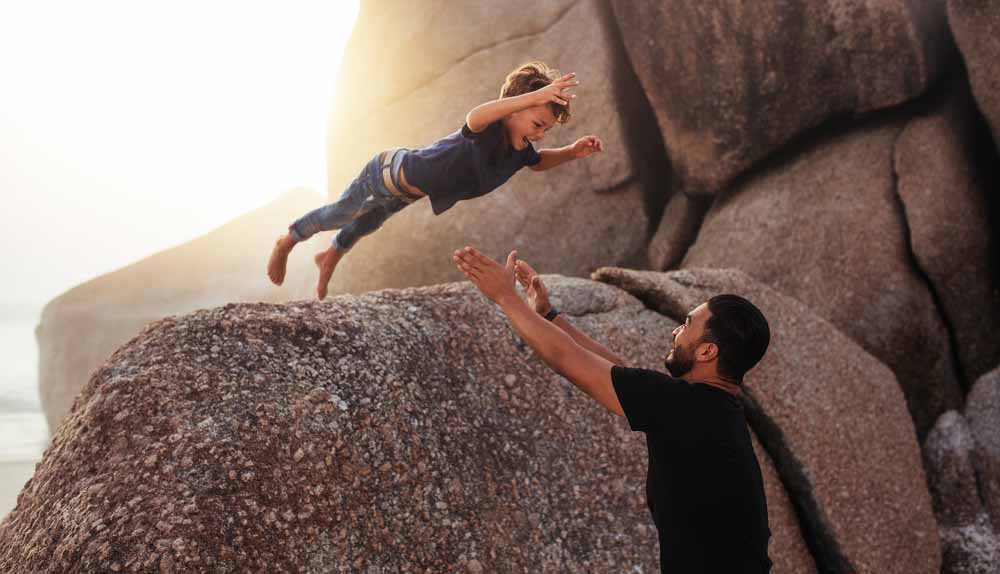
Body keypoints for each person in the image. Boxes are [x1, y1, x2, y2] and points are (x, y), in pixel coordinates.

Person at [452, 246, 774, 573]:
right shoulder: (711, 408)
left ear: (707, 351)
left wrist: (506, 297)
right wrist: (549, 315)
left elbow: (567, 360)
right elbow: (620, 371)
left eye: (688, 324)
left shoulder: (686, 408)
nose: (676, 331)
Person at [267, 61, 604, 299]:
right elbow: (475, 116)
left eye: (546, 128)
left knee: (365, 225)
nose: (541, 134)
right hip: (385, 172)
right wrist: (532, 97)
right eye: (537, 123)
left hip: (403, 193)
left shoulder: (519, 151)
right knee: (342, 214)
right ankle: (289, 238)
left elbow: (539, 163)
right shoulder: (488, 130)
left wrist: (572, 151)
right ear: (513, 110)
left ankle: (329, 257)